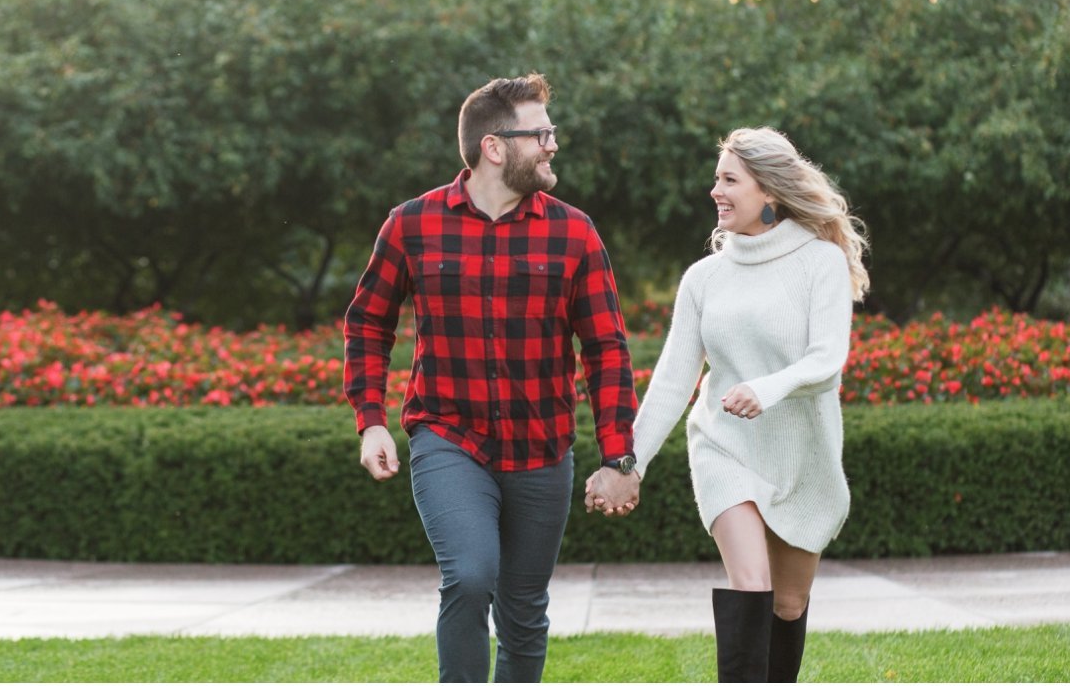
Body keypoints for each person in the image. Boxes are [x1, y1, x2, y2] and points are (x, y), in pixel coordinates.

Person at [343, 74, 641, 683]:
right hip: (448, 436)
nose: (553, 145)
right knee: (472, 575)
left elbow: (606, 348)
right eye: (541, 134)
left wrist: (619, 457)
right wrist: (370, 422)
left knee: (524, 611)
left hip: (540, 447)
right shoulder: (411, 224)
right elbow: (369, 324)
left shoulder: (574, 232)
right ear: (496, 147)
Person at [589, 126, 869, 682]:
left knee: (788, 604)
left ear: (768, 191)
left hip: (802, 456)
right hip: (724, 447)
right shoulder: (704, 279)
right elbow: (672, 381)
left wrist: (765, 389)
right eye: (716, 178)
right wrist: (628, 463)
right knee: (750, 584)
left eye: (729, 179)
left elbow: (827, 359)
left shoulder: (822, 263)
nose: (715, 190)